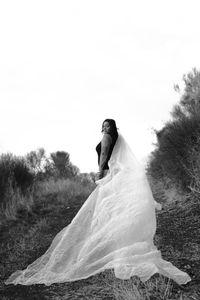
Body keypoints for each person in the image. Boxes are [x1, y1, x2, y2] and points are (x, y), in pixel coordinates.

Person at [5, 119, 191, 286]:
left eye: (107, 124)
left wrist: (101, 171)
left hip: (111, 174)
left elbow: (104, 154)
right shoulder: (119, 138)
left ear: (111, 127)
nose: (104, 127)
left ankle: (105, 247)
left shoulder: (107, 136)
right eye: (102, 125)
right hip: (117, 174)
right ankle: (118, 245)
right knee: (115, 209)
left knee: (107, 210)